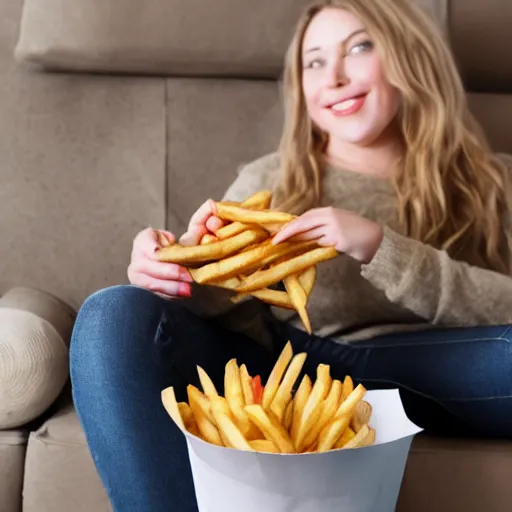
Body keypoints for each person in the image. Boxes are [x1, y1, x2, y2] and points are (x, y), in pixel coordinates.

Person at [70, 0, 512, 510]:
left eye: (360, 47)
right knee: (111, 314)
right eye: (315, 61)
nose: (336, 77)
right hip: (293, 360)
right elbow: (229, 316)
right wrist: (180, 267)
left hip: (439, 367)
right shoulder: (272, 181)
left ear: (409, 56)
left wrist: (379, 246)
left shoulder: (489, 182)